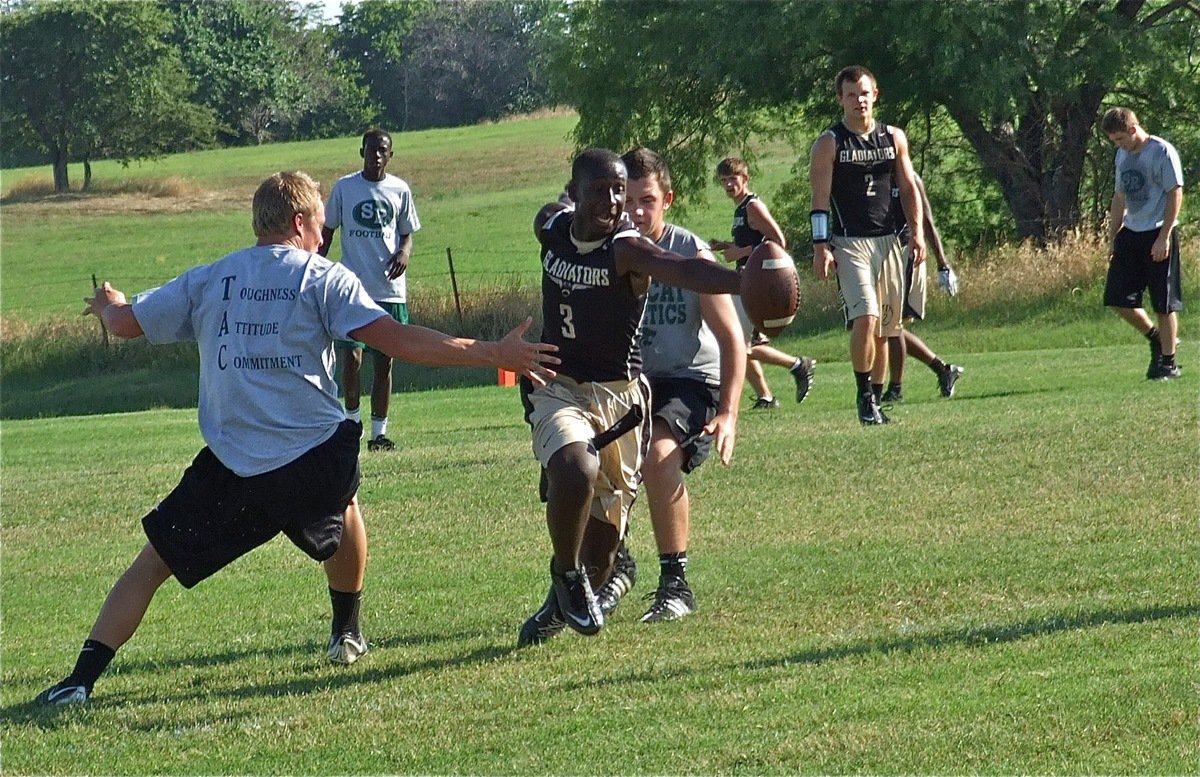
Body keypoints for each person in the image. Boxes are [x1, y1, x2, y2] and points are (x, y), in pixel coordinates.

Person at [35, 171, 558, 705]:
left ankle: (78, 680)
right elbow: (397, 340)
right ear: (301, 222)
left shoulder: (214, 277)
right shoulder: (322, 277)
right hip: (310, 461)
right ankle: (347, 631)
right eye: (320, 227)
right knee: (345, 500)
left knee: (151, 564)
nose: (323, 238)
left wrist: (104, 302)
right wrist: (491, 353)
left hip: (231, 465)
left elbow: (124, 324)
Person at [517, 148, 743, 646]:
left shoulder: (626, 249)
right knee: (576, 468)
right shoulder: (552, 228)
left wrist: (742, 280)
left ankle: (563, 599)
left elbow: (682, 270)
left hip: (619, 403)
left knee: (602, 550)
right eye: (601, 190)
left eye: (619, 191)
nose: (614, 201)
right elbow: (546, 217)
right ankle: (567, 574)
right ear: (573, 195)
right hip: (560, 389)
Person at [591, 147, 745, 623]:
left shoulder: (688, 252)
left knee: (659, 458)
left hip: (690, 380)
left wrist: (730, 413)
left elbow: (731, 339)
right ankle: (617, 565)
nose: (636, 211)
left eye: (647, 201)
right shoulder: (612, 251)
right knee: (582, 461)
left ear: (668, 200)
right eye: (628, 200)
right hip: (634, 383)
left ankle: (676, 584)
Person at [809, 65, 926, 425]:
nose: (858, 100)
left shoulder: (893, 137)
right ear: (840, 99)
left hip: (888, 241)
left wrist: (917, 234)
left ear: (875, 95)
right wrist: (820, 246)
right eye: (850, 94)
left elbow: (909, 188)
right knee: (866, 316)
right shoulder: (830, 142)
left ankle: (875, 401)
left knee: (887, 327)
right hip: (849, 243)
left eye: (863, 93)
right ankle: (862, 396)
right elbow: (820, 198)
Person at [320, 128, 421, 451]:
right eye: (370, 150)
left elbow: (407, 233)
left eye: (382, 150)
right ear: (360, 151)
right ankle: (351, 424)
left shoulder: (399, 190)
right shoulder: (345, 188)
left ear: (390, 155)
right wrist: (312, 268)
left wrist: (404, 252)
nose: (376, 155)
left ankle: (379, 433)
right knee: (351, 358)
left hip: (389, 289)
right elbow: (327, 231)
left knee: (384, 361)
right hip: (352, 289)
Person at [709, 157, 816, 410]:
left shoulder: (752, 206)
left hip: (757, 286)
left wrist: (741, 252)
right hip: (745, 282)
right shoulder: (740, 209)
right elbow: (755, 242)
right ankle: (765, 397)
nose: (728, 185)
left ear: (745, 179)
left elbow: (777, 241)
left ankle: (798, 365)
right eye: (723, 181)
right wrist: (726, 247)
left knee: (738, 346)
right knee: (742, 344)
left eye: (733, 179)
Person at [1100, 107, 1184, 380]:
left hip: (1158, 231)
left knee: (1164, 303)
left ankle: (1169, 364)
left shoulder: (1161, 152)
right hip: (1131, 232)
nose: (1119, 145)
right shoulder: (1122, 156)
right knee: (1116, 298)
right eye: (1114, 142)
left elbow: (1175, 194)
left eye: (1120, 139)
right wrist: (1113, 238)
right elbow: (1119, 198)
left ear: (1133, 130)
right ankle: (1156, 337)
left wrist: (1164, 236)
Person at [881, 173, 965, 402]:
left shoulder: (908, 178)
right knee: (881, 324)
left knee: (890, 324)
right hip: (879, 253)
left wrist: (942, 263)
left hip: (904, 252)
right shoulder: (872, 173)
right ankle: (942, 369)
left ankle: (896, 389)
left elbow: (926, 220)